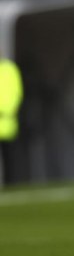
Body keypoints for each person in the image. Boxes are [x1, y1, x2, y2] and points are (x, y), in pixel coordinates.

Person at [0, 56, 23, 186]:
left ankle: (11, 184)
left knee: (9, 158)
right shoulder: (10, 69)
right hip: (7, 121)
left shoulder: (9, 69)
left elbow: (17, 92)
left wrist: (8, 110)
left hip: (7, 123)